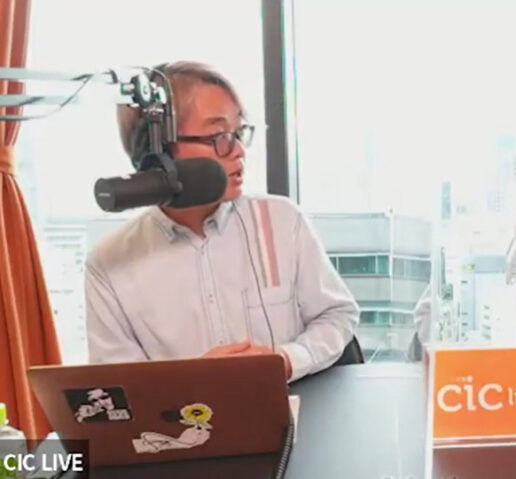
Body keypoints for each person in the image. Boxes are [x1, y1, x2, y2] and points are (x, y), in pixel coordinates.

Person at [85, 61, 359, 382]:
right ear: (156, 152)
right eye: (219, 136)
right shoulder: (110, 264)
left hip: (292, 407)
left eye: (238, 133)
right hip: (182, 416)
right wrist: (195, 379)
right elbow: (120, 386)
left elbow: (337, 315)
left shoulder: (282, 221)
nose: (239, 151)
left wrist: (285, 360)